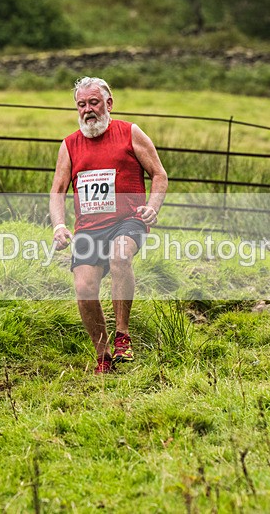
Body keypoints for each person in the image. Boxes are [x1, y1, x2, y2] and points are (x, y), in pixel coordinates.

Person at [49, 77, 168, 374]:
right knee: (84, 286)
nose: (88, 110)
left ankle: (122, 336)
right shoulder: (69, 145)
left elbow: (159, 174)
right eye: (81, 104)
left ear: (108, 104)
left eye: (94, 102)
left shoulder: (130, 133)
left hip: (128, 220)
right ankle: (104, 356)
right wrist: (59, 225)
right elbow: (57, 191)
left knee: (119, 255)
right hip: (89, 228)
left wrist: (152, 209)